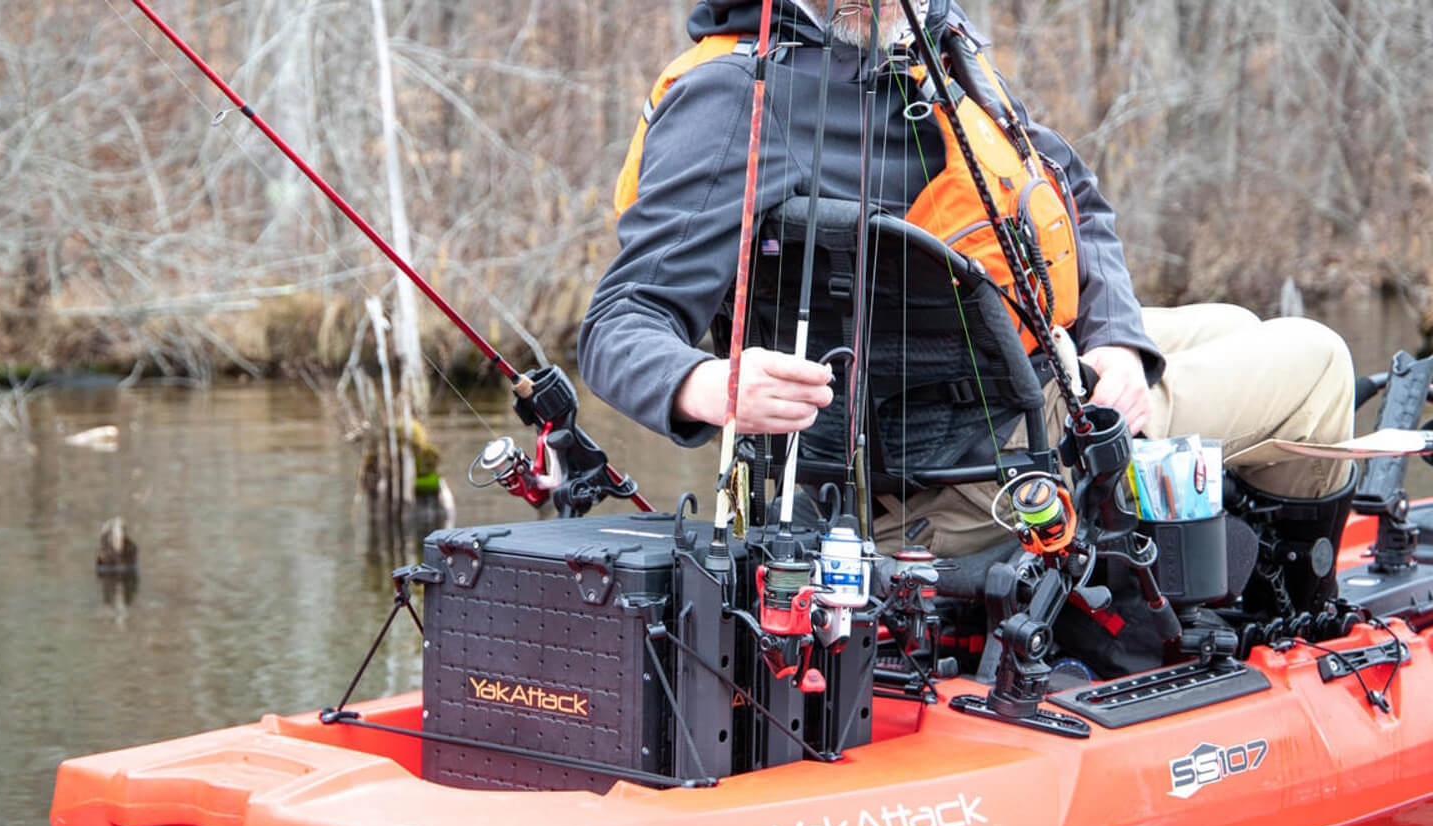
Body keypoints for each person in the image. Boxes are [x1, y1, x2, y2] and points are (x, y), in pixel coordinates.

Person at [578, 0, 1356, 615]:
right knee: (1317, 362)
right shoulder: (731, 100)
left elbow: (1072, 194)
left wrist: (1118, 343)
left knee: (1232, 326)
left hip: (1018, 365)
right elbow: (619, 323)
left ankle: (1200, 574)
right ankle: (1293, 611)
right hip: (970, 468)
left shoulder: (928, 43)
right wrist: (708, 384)